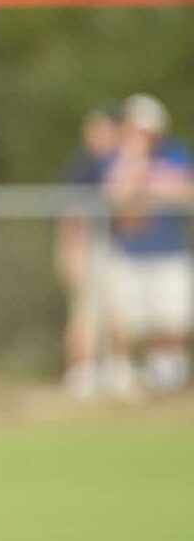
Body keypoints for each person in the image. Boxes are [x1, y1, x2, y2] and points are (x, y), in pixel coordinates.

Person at [102, 93, 193, 395]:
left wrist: (152, 191)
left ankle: (169, 379)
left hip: (169, 250)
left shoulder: (177, 153)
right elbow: (117, 197)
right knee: (129, 321)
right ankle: (128, 379)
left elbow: (185, 190)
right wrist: (136, 162)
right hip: (131, 252)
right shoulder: (120, 158)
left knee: (170, 318)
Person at [55, 104, 121, 398]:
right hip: (87, 247)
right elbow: (71, 213)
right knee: (84, 313)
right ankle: (82, 372)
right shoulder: (80, 166)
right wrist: (72, 251)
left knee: (116, 311)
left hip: (115, 248)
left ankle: (117, 371)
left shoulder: (117, 162)